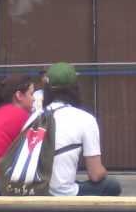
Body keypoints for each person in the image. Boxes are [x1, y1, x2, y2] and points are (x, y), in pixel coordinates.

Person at [43, 62, 122, 196]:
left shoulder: (35, 116)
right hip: (61, 194)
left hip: (33, 190)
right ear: (74, 88)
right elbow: (95, 175)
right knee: (111, 184)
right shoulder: (84, 118)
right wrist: (104, 171)